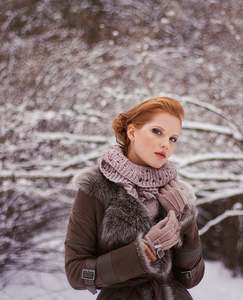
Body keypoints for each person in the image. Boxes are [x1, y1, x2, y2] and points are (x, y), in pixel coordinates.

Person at [64, 96, 204, 300]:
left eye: (173, 139)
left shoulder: (176, 192)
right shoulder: (94, 188)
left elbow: (192, 278)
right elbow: (76, 273)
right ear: (132, 131)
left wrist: (185, 220)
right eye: (157, 132)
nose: (166, 144)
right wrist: (141, 254)